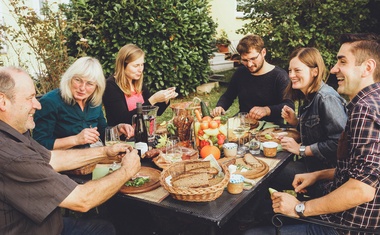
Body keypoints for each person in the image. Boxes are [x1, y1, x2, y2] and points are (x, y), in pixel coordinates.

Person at [244, 33, 380, 234]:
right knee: (269, 211)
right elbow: (361, 170)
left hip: (344, 225)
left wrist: (299, 208)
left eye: (342, 61)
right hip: (337, 205)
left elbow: (362, 189)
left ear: (367, 68)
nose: (333, 69)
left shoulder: (364, 110)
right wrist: (317, 175)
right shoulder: (369, 102)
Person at [0, 66, 141, 235]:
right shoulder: (11, 154)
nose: (37, 104)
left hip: (48, 223)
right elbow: (82, 200)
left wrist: (105, 152)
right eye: (30, 98)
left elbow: (52, 158)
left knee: (105, 227)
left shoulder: (14, 132)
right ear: (3, 102)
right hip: (34, 230)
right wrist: (127, 170)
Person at [273, 47, 347, 196]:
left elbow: (339, 143)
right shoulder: (309, 96)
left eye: (297, 70)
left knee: (271, 173)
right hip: (312, 165)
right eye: (290, 70)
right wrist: (296, 121)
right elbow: (319, 131)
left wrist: (300, 149)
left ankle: (265, 217)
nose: (291, 75)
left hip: (328, 175)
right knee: (273, 165)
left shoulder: (326, 98)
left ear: (315, 71)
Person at [33, 57, 134, 150]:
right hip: (60, 164)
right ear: (69, 78)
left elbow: (102, 133)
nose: (82, 88)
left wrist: (118, 129)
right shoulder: (50, 102)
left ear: (97, 86)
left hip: (88, 160)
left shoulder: (94, 102)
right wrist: (76, 140)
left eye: (89, 83)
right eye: (78, 80)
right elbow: (39, 144)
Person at [211, 34, 294, 124]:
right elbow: (228, 96)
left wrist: (267, 110)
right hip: (244, 123)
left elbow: (289, 106)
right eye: (245, 60)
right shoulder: (240, 73)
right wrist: (220, 106)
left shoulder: (279, 76)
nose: (249, 64)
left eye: (253, 58)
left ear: (263, 52)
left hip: (271, 128)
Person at [103, 44, 178, 127]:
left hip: (142, 134)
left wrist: (165, 98)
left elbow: (157, 111)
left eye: (142, 64)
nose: (140, 69)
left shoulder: (137, 83)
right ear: (123, 65)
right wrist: (152, 100)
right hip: (123, 138)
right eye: (136, 66)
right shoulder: (111, 86)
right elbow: (123, 119)